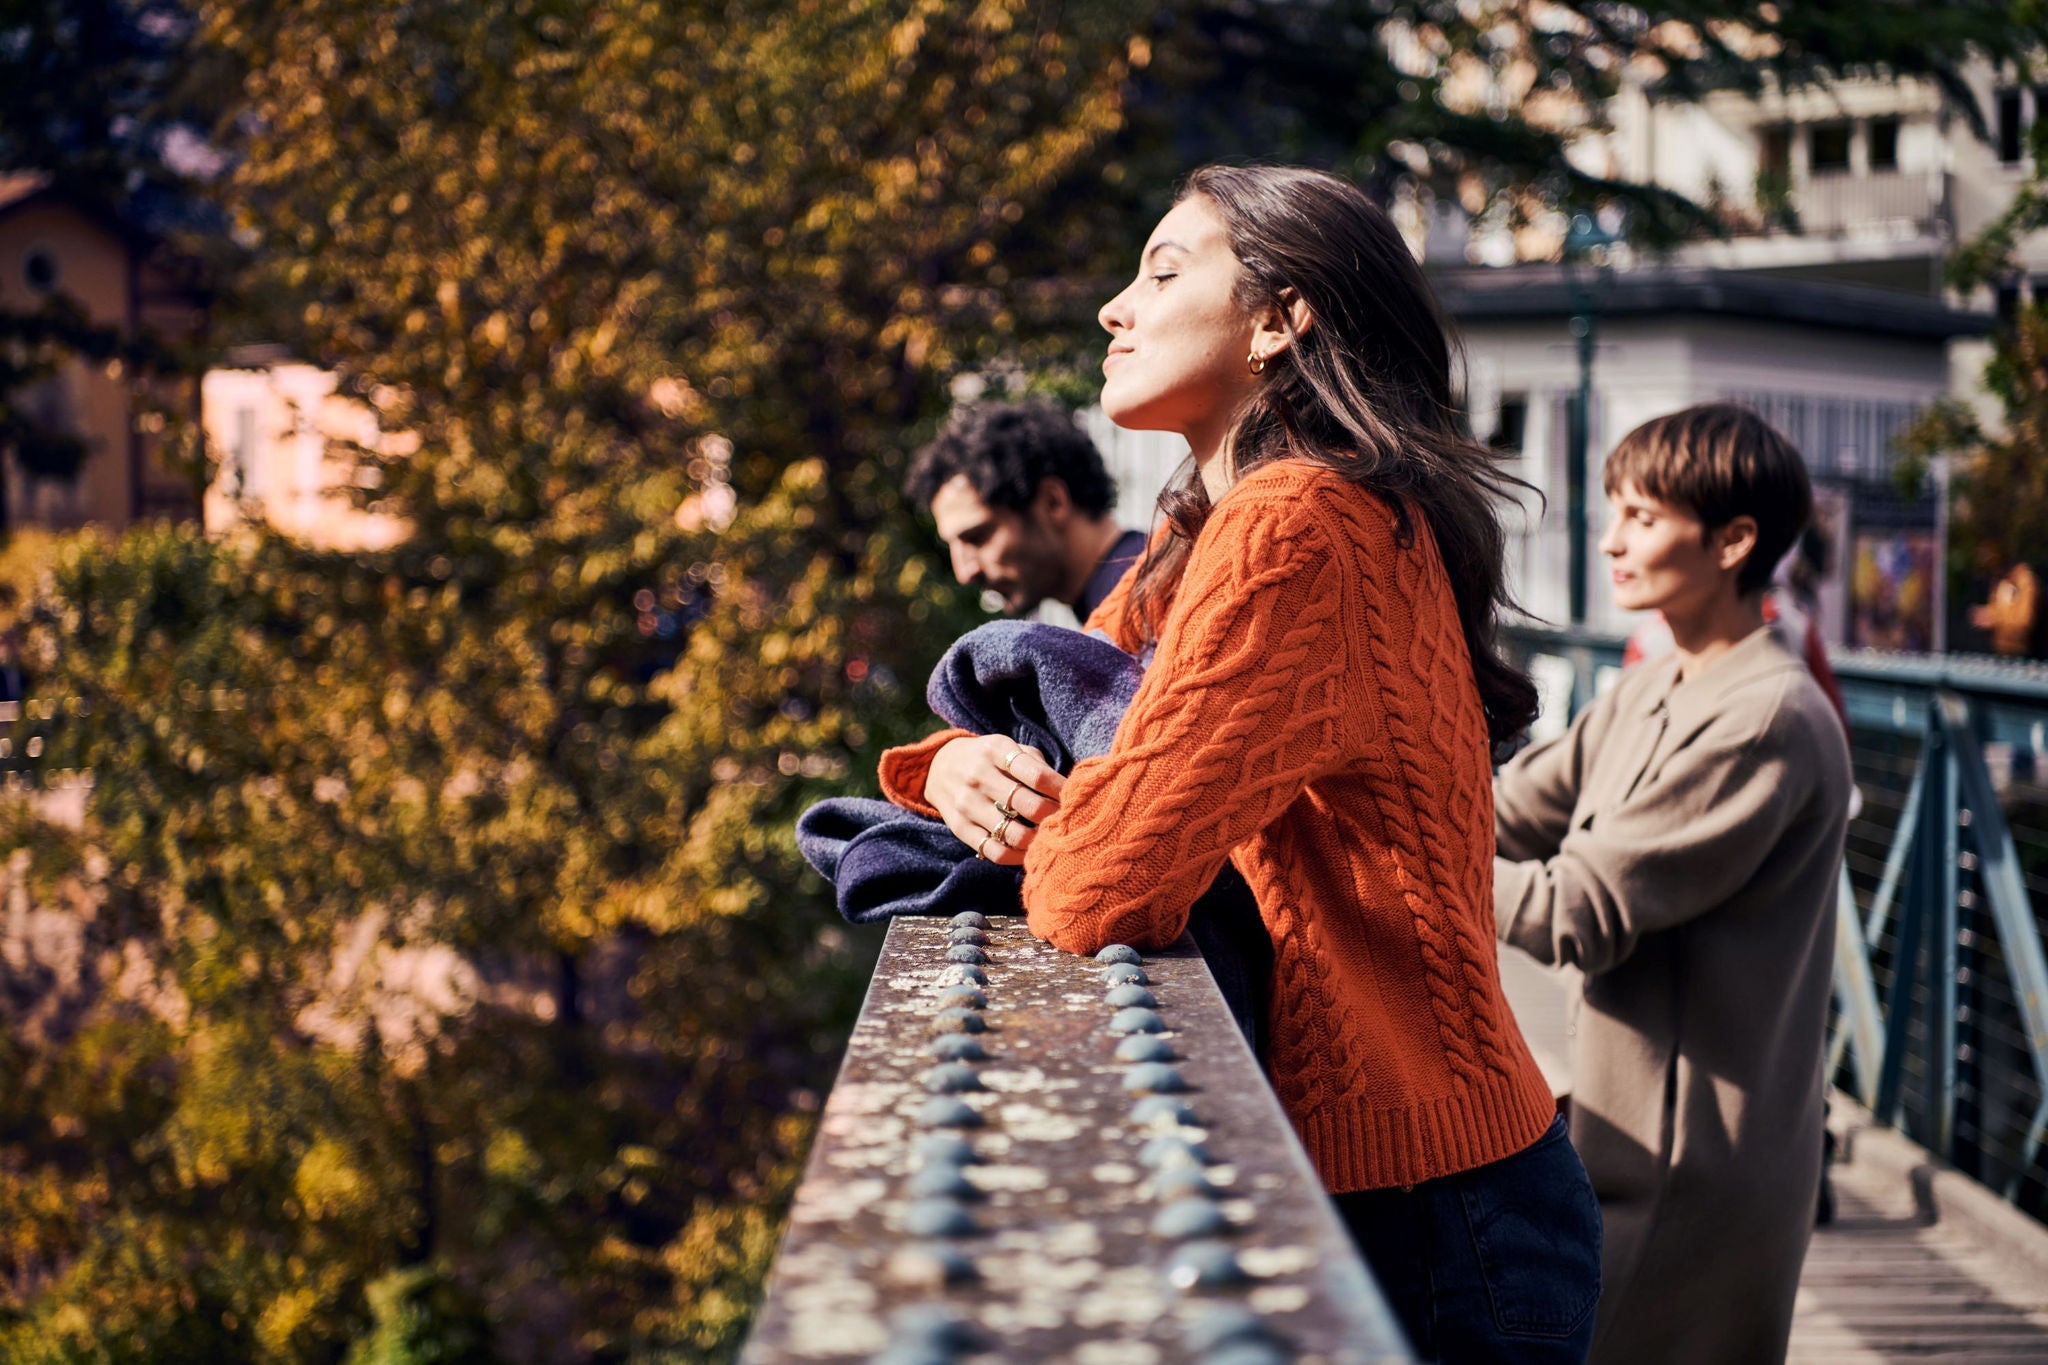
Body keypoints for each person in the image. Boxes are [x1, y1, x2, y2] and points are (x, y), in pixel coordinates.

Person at [878, 165, 1601, 1361]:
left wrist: (1028, 801)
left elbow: (1095, 885)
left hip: (1438, 1214)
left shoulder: (1295, 527)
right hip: (1435, 1173)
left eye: (1161, 273)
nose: (1114, 307)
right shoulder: (1209, 528)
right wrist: (949, 767)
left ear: (1277, 319)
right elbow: (1049, 704)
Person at [1492, 404, 1855, 1365]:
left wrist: (1388, 863)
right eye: (1615, 510)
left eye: (1642, 518)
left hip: (1695, 1171)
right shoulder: (1658, 683)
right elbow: (1505, 810)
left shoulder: (1765, 717)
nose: (1612, 541)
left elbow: (1578, 908)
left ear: (1734, 541)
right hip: (1628, 1141)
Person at [905, 399, 1146, 621]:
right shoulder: (1125, 602)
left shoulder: (1152, 600)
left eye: (977, 538)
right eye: (951, 546)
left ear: (1053, 502)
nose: (965, 573)